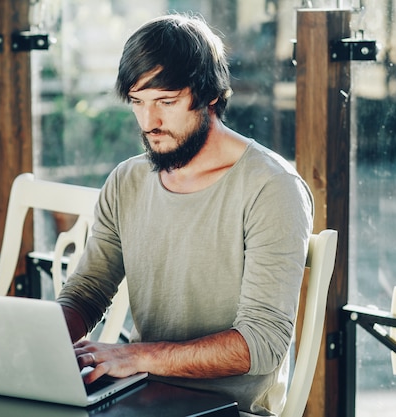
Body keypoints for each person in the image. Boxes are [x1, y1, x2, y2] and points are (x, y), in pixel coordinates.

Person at [56, 13, 314, 417]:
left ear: (209, 94)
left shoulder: (272, 187)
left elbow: (261, 343)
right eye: (138, 103)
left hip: (230, 408)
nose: (149, 123)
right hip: (137, 395)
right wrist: (38, 345)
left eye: (167, 102)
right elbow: (87, 292)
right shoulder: (127, 180)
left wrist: (137, 355)